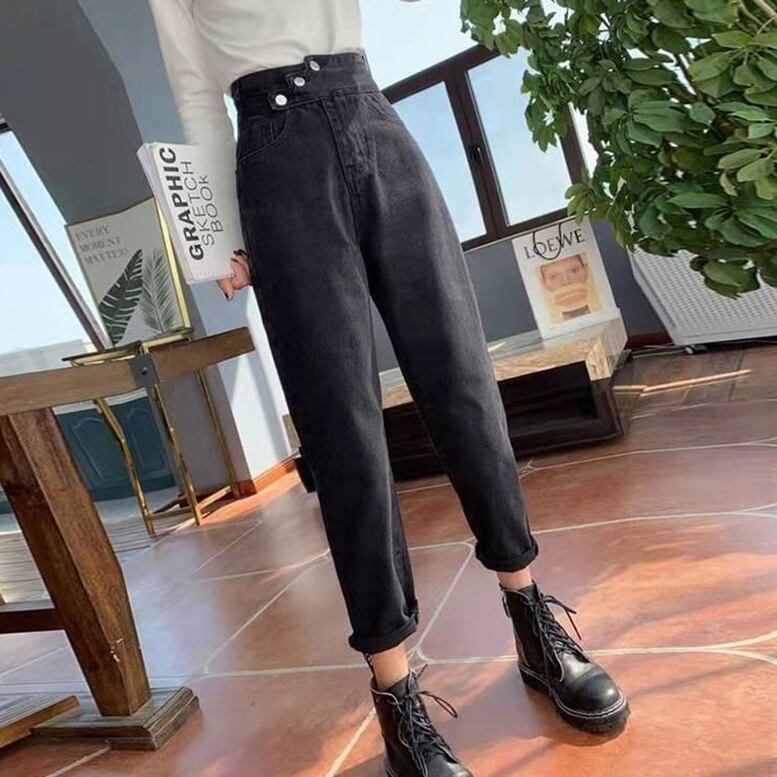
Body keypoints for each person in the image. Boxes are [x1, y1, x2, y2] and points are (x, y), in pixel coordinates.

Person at [149, 2, 630, 774]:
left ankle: (530, 617)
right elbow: (196, 94)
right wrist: (220, 240)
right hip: (274, 159)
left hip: (372, 118)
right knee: (339, 425)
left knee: (461, 381)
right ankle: (395, 691)